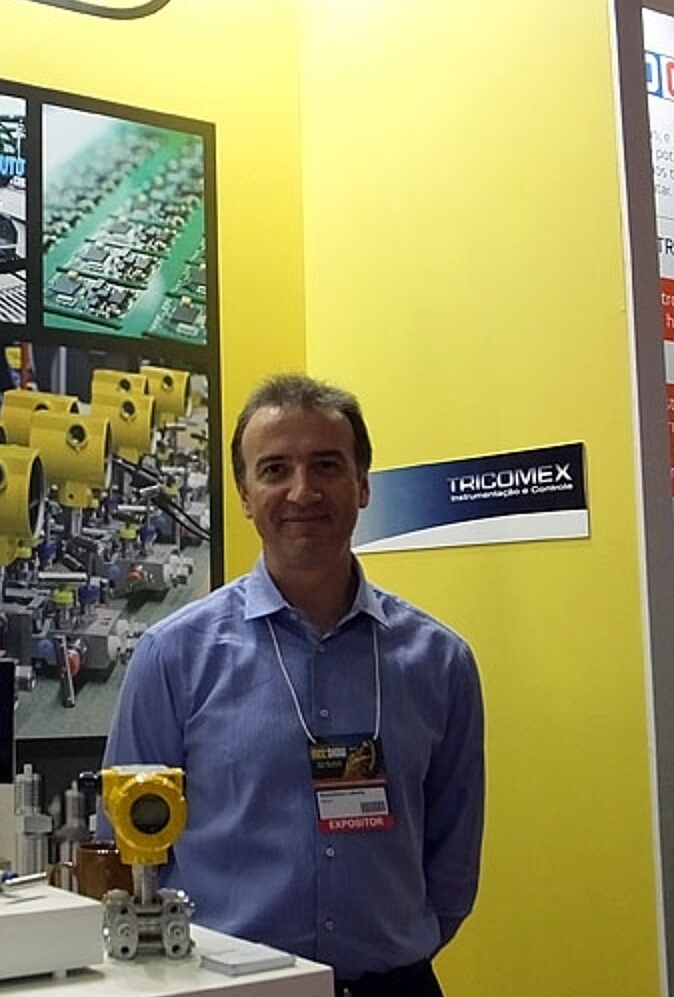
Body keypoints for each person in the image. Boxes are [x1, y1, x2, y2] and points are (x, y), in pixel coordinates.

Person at [103, 373, 484, 997]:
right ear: (245, 494)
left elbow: (453, 860)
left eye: (326, 465)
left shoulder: (440, 662)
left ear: (362, 484)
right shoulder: (172, 656)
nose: (302, 491)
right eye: (275, 469)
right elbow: (124, 846)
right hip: (225, 987)